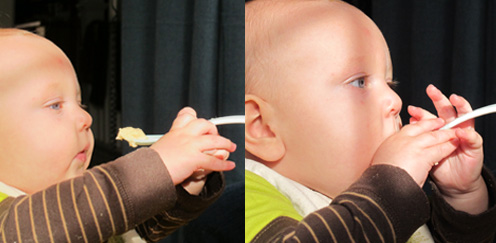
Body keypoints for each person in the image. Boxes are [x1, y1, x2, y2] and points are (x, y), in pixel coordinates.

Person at [244, 0, 496, 242]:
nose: (395, 100)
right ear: (263, 128)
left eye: (389, 84)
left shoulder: (397, 207)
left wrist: (462, 196)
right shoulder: (246, 198)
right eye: (359, 82)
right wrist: (390, 192)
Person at [0, 28, 237, 242]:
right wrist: (157, 166)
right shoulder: (11, 225)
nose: (87, 118)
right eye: (55, 105)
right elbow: (48, 224)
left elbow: (134, 223)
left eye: (80, 104)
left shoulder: (90, 210)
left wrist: (185, 183)